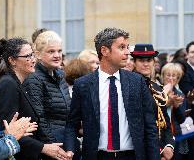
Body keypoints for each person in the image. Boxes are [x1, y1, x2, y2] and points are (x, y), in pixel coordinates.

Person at [64, 27, 160, 160]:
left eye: (127, 47)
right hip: (97, 156)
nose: (128, 52)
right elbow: (72, 124)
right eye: (121, 47)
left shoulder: (136, 82)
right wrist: (69, 149)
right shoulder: (83, 84)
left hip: (132, 156)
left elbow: (150, 126)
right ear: (104, 51)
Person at [0, 38, 68, 160]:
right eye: (27, 56)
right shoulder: (8, 85)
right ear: (12, 60)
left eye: (32, 55)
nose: (33, 59)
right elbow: (7, 132)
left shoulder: (19, 83)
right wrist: (43, 147)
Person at [23, 31, 72, 159]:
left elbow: (68, 111)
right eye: (51, 51)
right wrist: (52, 146)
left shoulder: (60, 75)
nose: (57, 55)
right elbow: (39, 117)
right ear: (37, 54)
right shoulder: (33, 78)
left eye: (59, 51)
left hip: (65, 141)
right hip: (49, 148)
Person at [131, 44, 175, 160]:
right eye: (141, 60)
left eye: (149, 60)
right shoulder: (129, 87)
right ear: (134, 62)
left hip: (160, 147)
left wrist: (169, 145)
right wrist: (160, 150)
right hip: (141, 151)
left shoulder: (157, 87)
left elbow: (165, 121)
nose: (146, 64)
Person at [160, 63, 189, 160]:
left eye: (174, 76)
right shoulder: (157, 91)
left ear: (178, 79)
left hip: (175, 134)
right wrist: (167, 102)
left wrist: (176, 106)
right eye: (168, 75)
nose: (171, 78)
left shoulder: (180, 94)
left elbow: (182, 119)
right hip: (159, 135)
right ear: (163, 76)